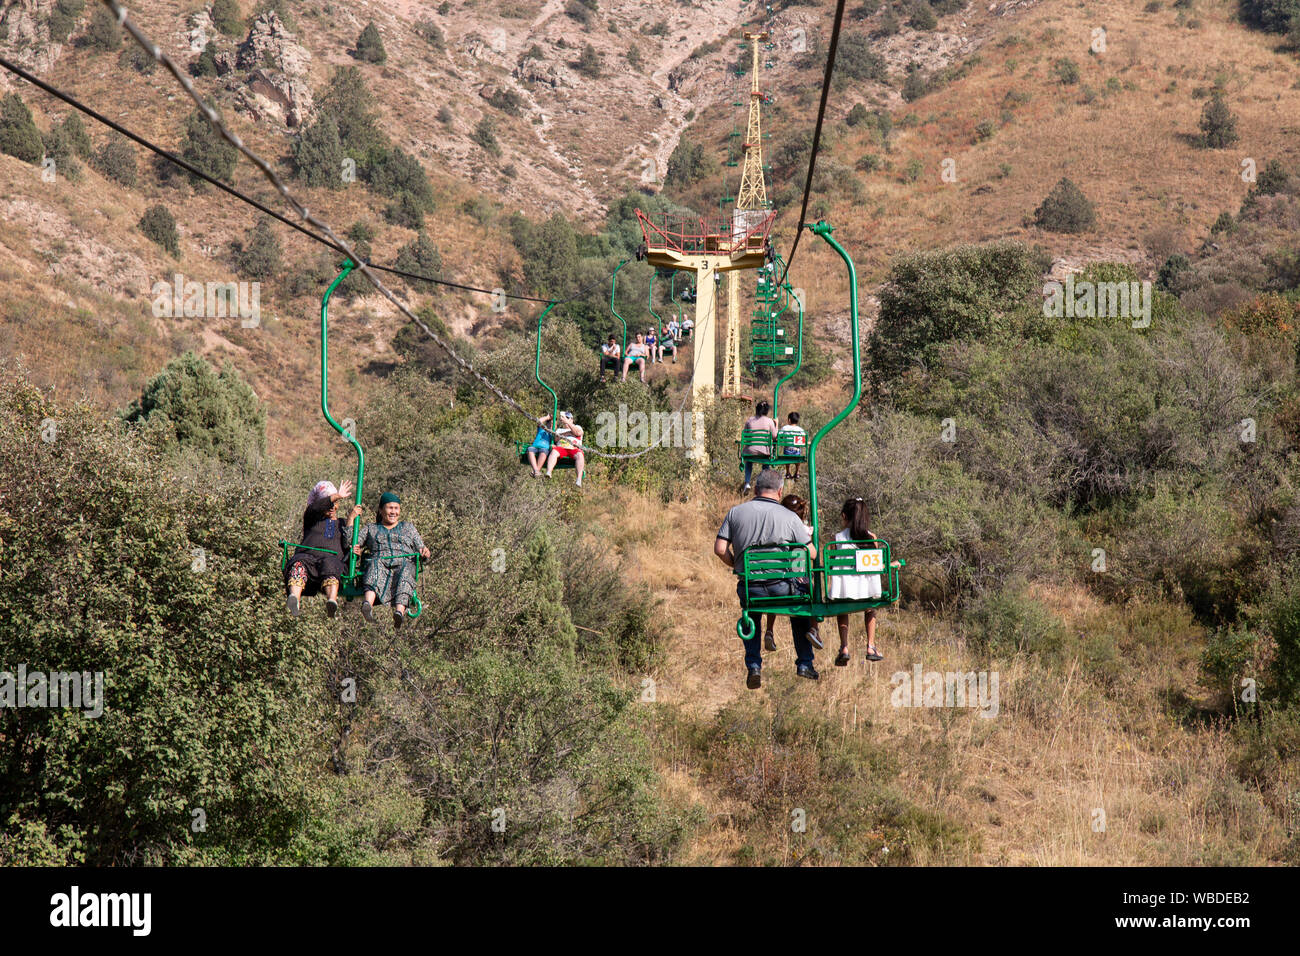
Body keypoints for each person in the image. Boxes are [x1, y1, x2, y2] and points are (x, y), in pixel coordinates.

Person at [714, 469, 819, 688]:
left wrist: (737, 564)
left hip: (750, 588)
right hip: (781, 586)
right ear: (780, 491)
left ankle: (753, 665)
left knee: (751, 615)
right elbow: (811, 553)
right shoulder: (790, 517)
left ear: (756, 488)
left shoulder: (735, 512)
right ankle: (804, 662)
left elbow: (720, 548)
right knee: (799, 609)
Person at [285, 479, 363, 619]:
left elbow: (347, 543)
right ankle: (294, 599)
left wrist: (351, 519)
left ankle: (331, 601)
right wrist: (337, 495)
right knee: (298, 565)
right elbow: (315, 507)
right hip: (308, 557)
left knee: (331, 565)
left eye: (335, 504)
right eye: (329, 505)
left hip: (330, 559)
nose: (332, 507)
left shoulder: (340, 523)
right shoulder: (312, 518)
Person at [354, 492, 431, 629]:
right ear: (381, 510)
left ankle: (399, 612)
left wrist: (425, 553)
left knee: (406, 571)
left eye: (396, 508)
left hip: (403, 561)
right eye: (390, 508)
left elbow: (422, 548)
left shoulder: (408, 528)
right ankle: (367, 604)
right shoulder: (371, 529)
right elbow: (352, 543)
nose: (393, 512)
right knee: (375, 565)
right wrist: (351, 519)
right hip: (380, 560)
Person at [762, 494, 822, 653]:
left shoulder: (776, 526)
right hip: (798, 578)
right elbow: (813, 554)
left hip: (779, 575)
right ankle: (814, 628)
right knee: (814, 590)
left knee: (773, 600)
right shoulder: (803, 529)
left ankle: (769, 629)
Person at [831, 497, 884, 665]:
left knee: (842, 610)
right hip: (867, 592)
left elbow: (831, 565)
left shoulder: (837, 538)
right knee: (870, 609)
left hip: (844, 591)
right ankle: (870, 645)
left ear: (845, 516)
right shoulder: (872, 538)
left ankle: (844, 646)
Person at [739, 400, 778, 493]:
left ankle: (747, 483)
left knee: (749, 462)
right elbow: (775, 437)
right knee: (766, 464)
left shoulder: (750, 420)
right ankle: (763, 485)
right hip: (765, 451)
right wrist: (776, 424)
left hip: (750, 450)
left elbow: (746, 434)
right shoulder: (769, 421)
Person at [545, 410, 585, 487]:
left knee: (580, 455)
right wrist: (567, 433)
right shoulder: (560, 430)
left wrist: (568, 423)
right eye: (565, 418)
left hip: (574, 448)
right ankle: (549, 471)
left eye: (567, 418)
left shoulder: (577, 427)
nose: (566, 420)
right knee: (554, 452)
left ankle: (579, 479)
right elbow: (556, 439)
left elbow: (578, 433)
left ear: (571, 419)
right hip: (562, 448)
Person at [777, 411, 807, 481]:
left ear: (789, 420)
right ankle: (797, 472)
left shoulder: (785, 428)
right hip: (796, 452)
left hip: (787, 451)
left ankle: (787, 472)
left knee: (787, 454)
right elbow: (803, 441)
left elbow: (779, 437)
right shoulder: (801, 430)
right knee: (798, 452)